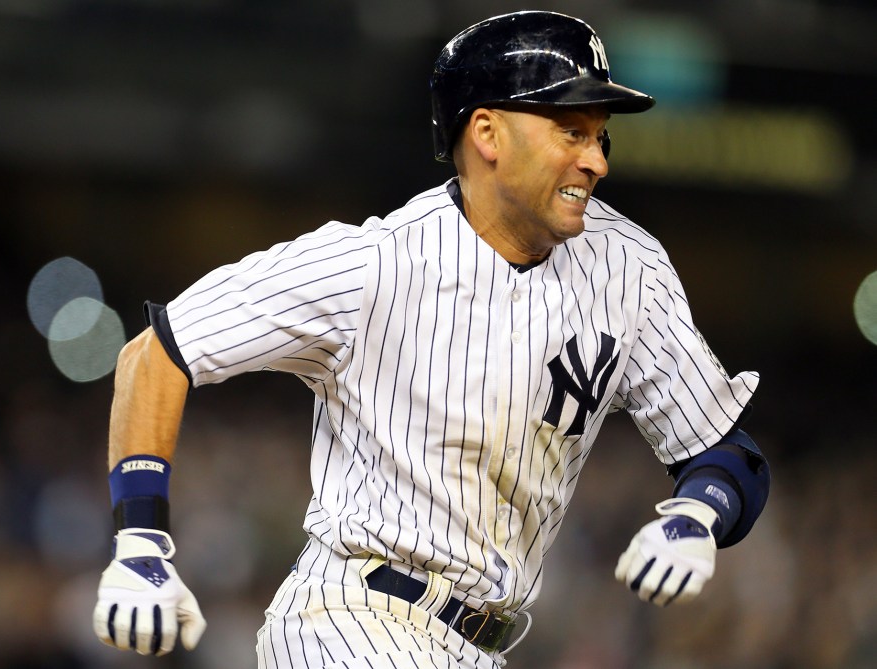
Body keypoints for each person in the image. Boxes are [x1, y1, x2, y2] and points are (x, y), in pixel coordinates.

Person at [92, 11, 770, 669]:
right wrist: (141, 539)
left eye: (601, 137)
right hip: (350, 620)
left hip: (480, 645)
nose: (596, 161)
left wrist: (697, 512)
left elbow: (726, 452)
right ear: (487, 133)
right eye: (571, 131)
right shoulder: (374, 264)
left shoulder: (628, 266)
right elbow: (157, 352)